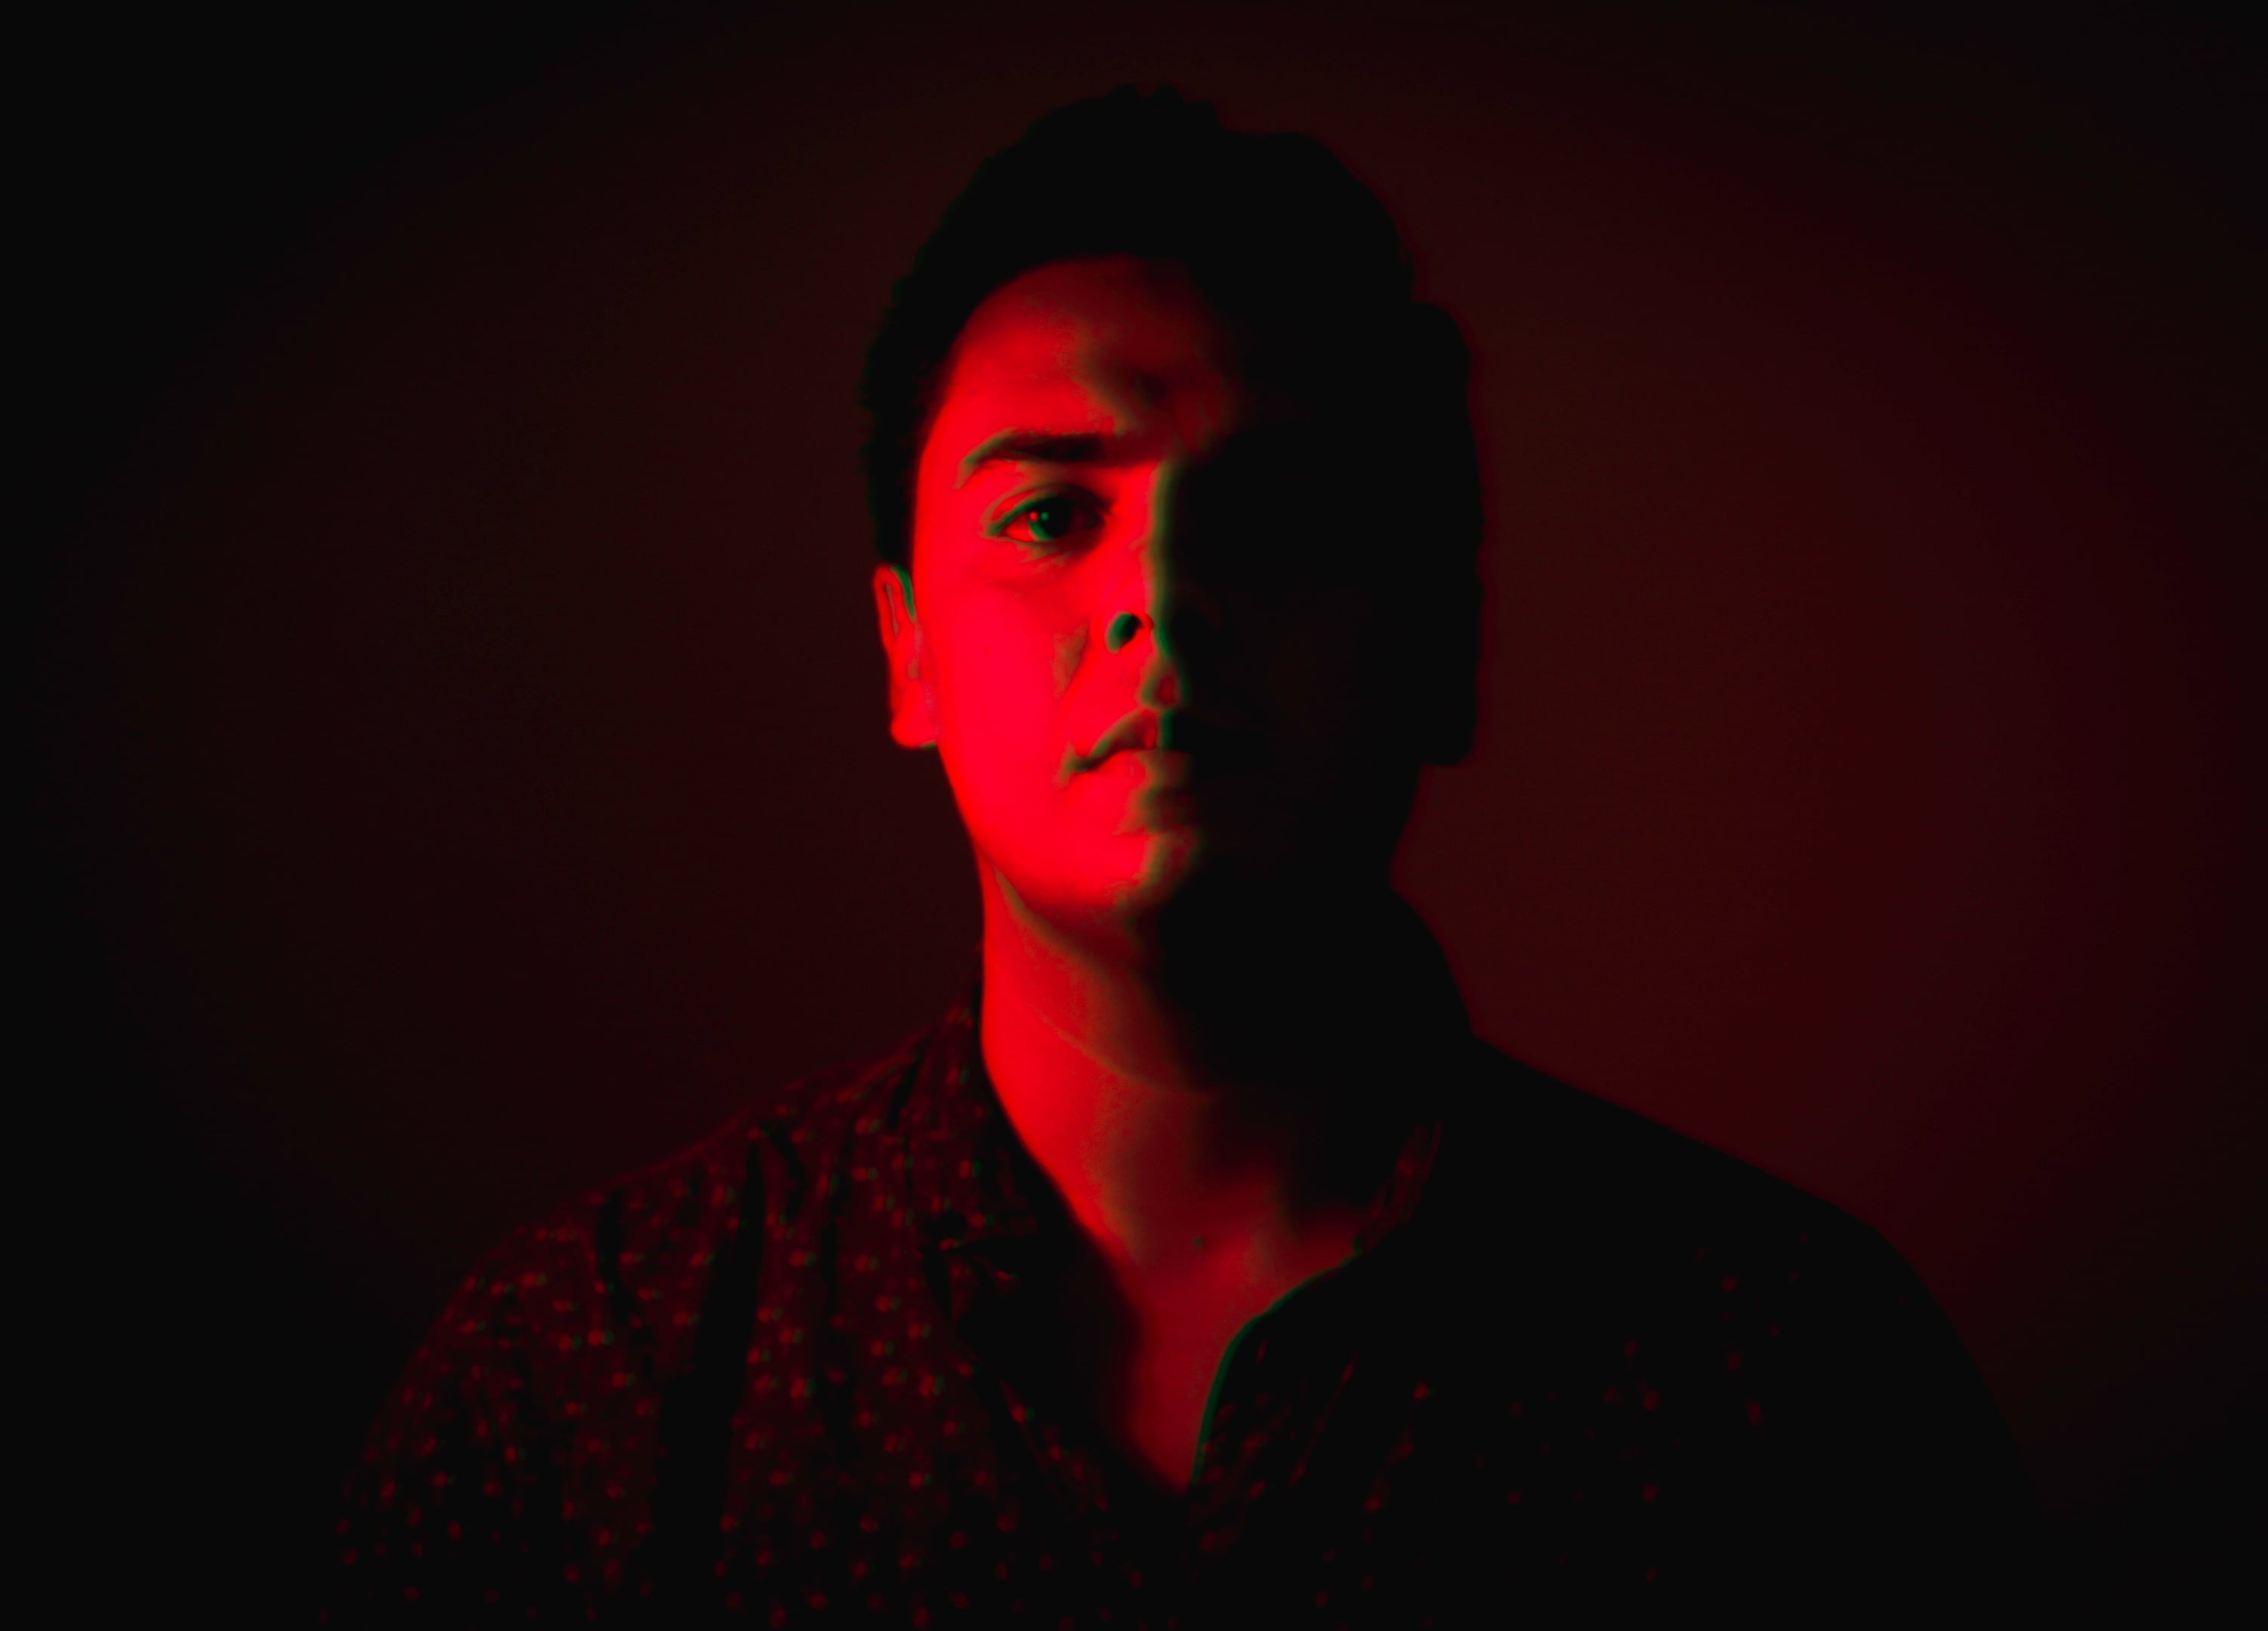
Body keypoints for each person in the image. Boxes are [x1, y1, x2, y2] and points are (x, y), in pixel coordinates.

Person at [327, 88, 2033, 1625]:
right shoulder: (585, 1379)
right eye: (1049, 516)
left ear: (1441, 648)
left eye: (1273, 515)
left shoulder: (1785, 1376)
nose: (1160, 598)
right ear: (906, 652)